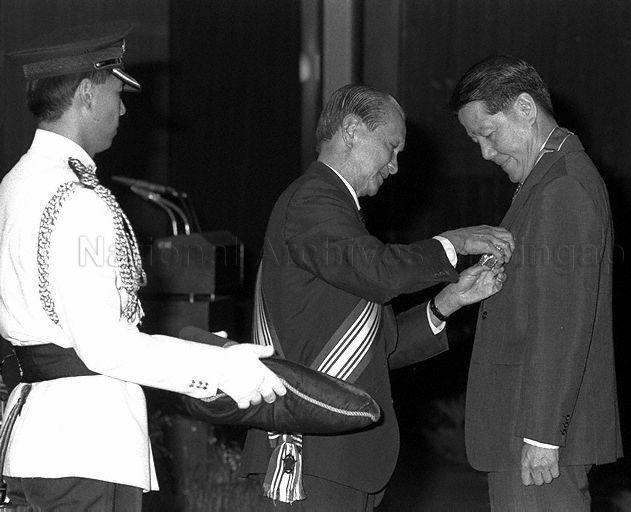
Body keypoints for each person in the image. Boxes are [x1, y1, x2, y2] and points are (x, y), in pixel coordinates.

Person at [0, 22, 286, 511]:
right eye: (117, 91)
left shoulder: (15, 185)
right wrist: (222, 369)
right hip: (86, 445)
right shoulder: (77, 200)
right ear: (87, 94)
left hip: (39, 438)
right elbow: (107, 346)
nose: (125, 107)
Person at [239, 84, 514, 510]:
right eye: (391, 147)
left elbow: (377, 348)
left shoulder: (337, 213)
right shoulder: (313, 200)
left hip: (339, 463)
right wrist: (453, 243)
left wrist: (450, 301)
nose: (395, 166)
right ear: (351, 130)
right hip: (313, 461)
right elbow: (379, 272)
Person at [449, 56, 622, 511]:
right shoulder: (547, 179)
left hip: (536, 442)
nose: (485, 153)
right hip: (526, 433)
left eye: (488, 134)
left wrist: (543, 434)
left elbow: (563, 320)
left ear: (525, 108)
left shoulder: (562, 186)